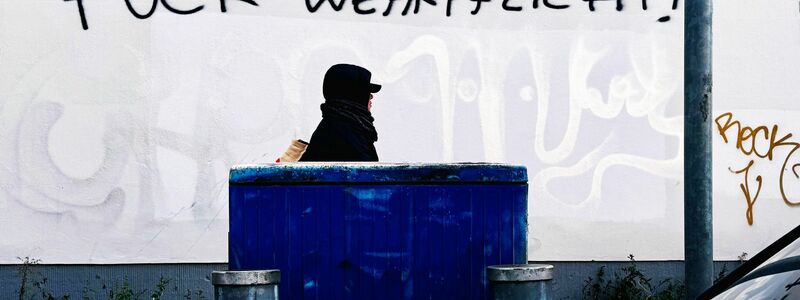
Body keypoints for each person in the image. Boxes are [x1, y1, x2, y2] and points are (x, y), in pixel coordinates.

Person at [299, 64, 382, 162]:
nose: (371, 97)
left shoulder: (343, 125)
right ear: (354, 95)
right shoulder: (346, 132)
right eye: (366, 92)